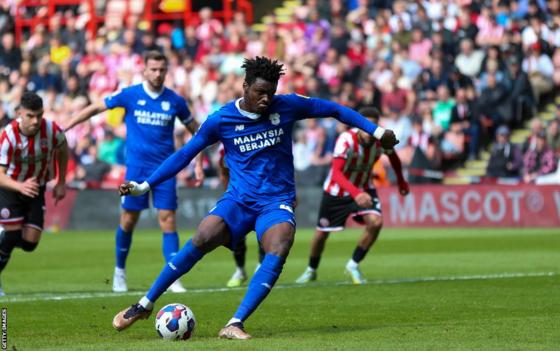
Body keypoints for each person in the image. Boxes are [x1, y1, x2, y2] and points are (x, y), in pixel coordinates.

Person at [111, 57, 399, 339]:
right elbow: (185, 154)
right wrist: (144, 185)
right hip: (238, 200)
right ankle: (144, 305)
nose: (266, 99)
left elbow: (334, 109)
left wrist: (377, 130)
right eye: (260, 92)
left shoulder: (286, 105)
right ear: (245, 86)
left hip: (275, 202)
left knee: (280, 244)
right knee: (201, 237)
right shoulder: (221, 119)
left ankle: (235, 323)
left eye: (271, 93)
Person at [64, 51, 203, 293]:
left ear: (166, 71)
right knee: (128, 220)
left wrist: (198, 162)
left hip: (165, 170)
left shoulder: (175, 101)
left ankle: (173, 276)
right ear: (145, 71)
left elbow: (198, 132)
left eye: (161, 69)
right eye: (153, 69)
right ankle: (119, 272)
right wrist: (68, 125)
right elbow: (97, 107)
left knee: (168, 220)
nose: (158, 74)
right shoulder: (130, 95)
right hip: (136, 170)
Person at [295, 106, 409, 285]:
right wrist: (356, 194)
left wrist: (401, 181)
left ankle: (353, 264)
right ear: (360, 126)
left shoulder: (380, 141)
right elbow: (336, 173)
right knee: (321, 233)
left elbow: (393, 157)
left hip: (364, 187)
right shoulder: (346, 139)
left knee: (376, 222)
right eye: (367, 127)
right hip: (337, 191)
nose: (371, 132)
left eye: (374, 127)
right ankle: (311, 269)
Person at [0, 92, 68, 295]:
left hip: (36, 188)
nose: (36, 121)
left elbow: (63, 149)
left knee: (30, 243)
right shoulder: (8, 136)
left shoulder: (52, 130)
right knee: (12, 235)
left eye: (39, 115)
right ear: (20, 113)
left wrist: (61, 181)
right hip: (10, 187)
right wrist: (19, 186)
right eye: (30, 116)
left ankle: (5, 233)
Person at [217, 143, 265, 288]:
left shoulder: (261, 139)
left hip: (264, 193)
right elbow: (224, 172)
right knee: (236, 234)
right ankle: (240, 270)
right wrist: (228, 195)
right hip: (239, 196)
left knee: (264, 230)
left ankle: (261, 266)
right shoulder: (224, 148)